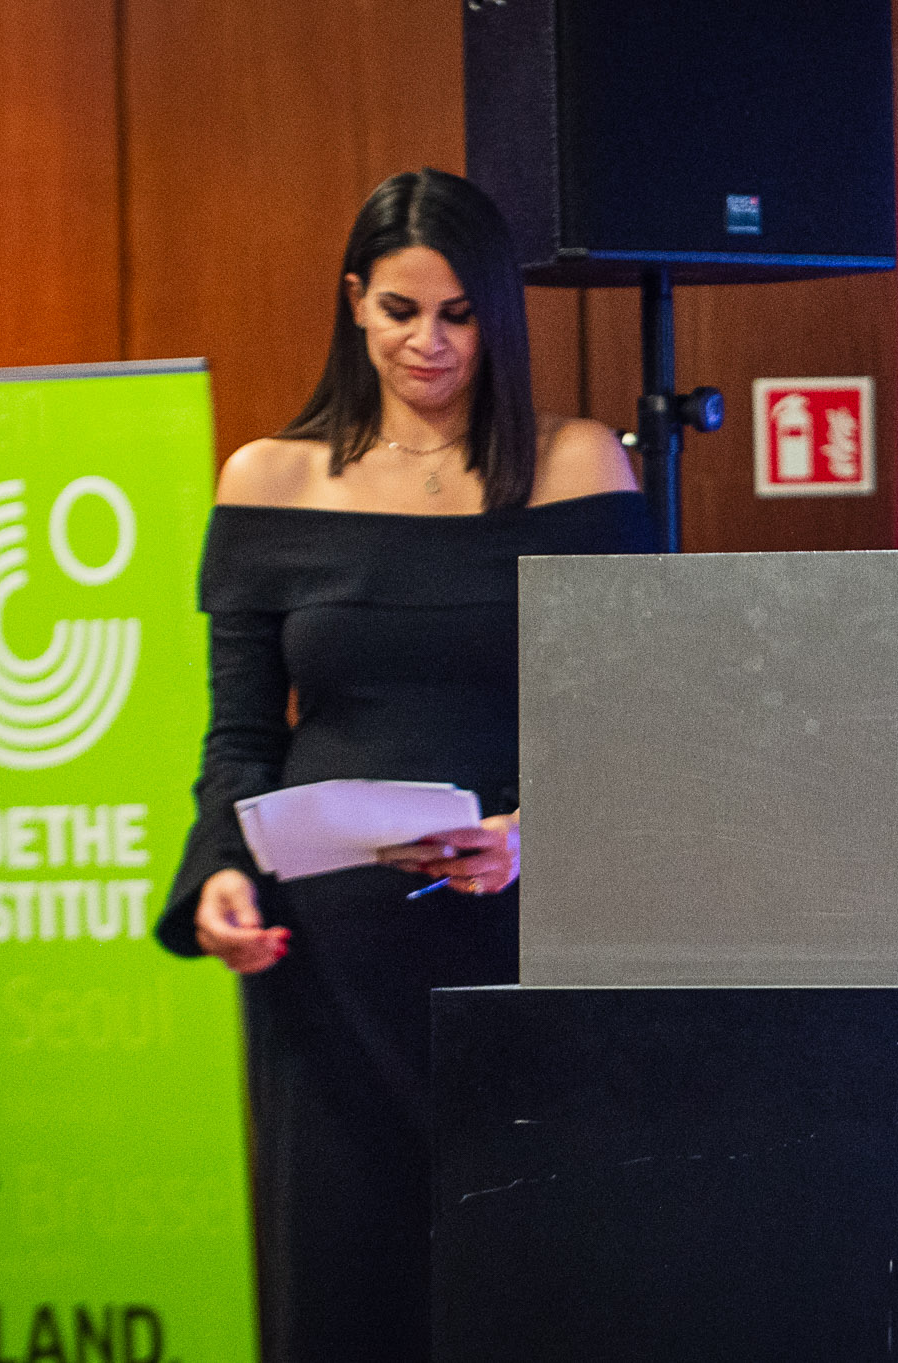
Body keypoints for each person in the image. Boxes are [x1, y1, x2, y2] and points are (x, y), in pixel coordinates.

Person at [154, 168, 652, 1360]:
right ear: (352, 303)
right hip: (331, 960)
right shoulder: (268, 478)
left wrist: (531, 833)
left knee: (536, 1290)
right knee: (343, 1291)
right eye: (398, 310)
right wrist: (219, 872)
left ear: (499, 316)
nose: (427, 341)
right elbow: (240, 736)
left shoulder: (580, 465)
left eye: (458, 314)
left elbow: (634, 724)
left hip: (528, 943)